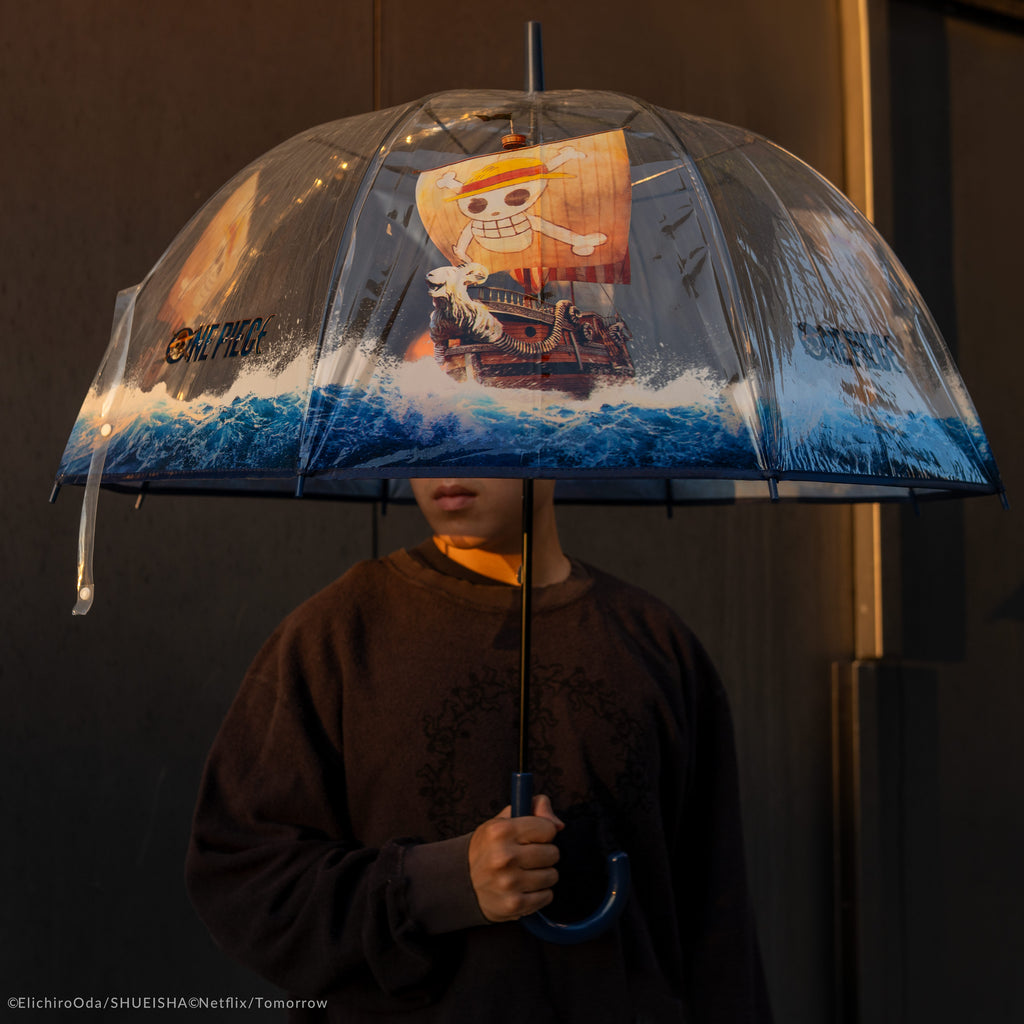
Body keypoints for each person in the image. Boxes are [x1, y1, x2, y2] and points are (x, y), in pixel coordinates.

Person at [186, 478, 773, 1023]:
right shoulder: (337, 634)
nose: (449, 447)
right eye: (427, 412)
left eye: (479, 406)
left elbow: (718, 932)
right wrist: (440, 884)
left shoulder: (657, 646)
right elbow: (242, 880)